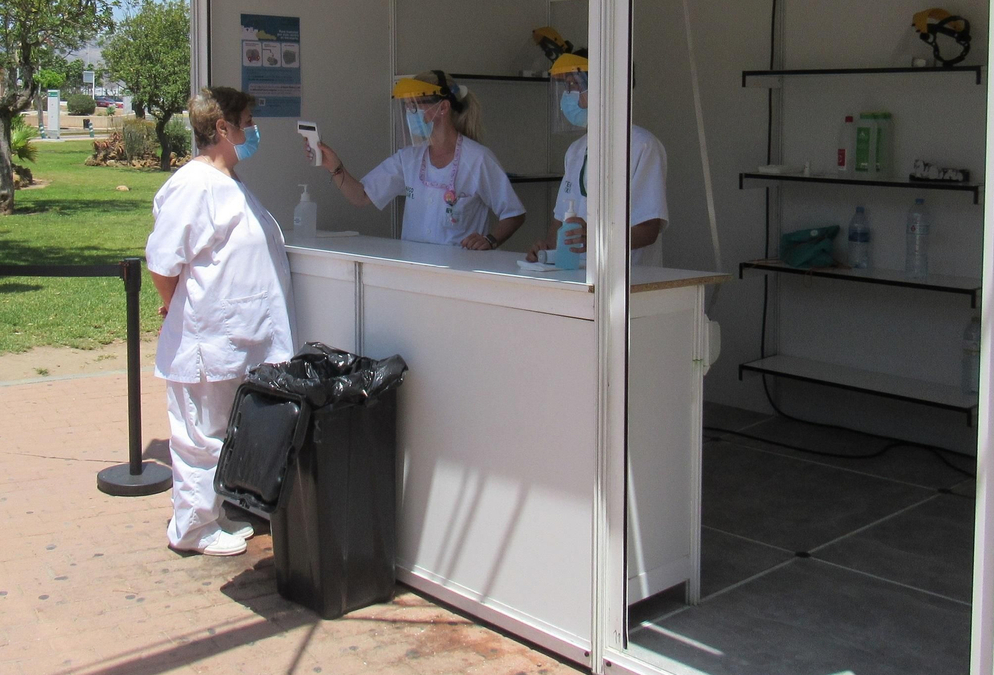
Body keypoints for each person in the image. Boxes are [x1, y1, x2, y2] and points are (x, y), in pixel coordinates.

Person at [146, 86, 296, 557]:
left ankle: (213, 511)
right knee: (200, 437)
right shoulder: (193, 185)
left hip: (235, 338)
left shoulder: (228, 182)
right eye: (247, 121)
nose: (253, 131)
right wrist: (175, 308)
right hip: (207, 338)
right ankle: (192, 529)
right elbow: (163, 263)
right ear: (222, 129)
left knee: (220, 433)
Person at [314, 71, 526, 250]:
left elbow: (514, 214)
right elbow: (361, 196)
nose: (409, 114)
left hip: (460, 274)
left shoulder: (478, 159)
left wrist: (489, 240)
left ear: (443, 108)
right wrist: (334, 166)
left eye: (414, 106)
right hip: (415, 271)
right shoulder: (410, 158)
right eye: (406, 107)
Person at [527, 53, 669, 268]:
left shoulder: (641, 145)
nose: (569, 95)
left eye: (575, 85)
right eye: (567, 86)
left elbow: (648, 229)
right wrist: (546, 250)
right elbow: (561, 220)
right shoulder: (575, 150)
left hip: (626, 280)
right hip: (577, 275)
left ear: (607, 87)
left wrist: (595, 239)